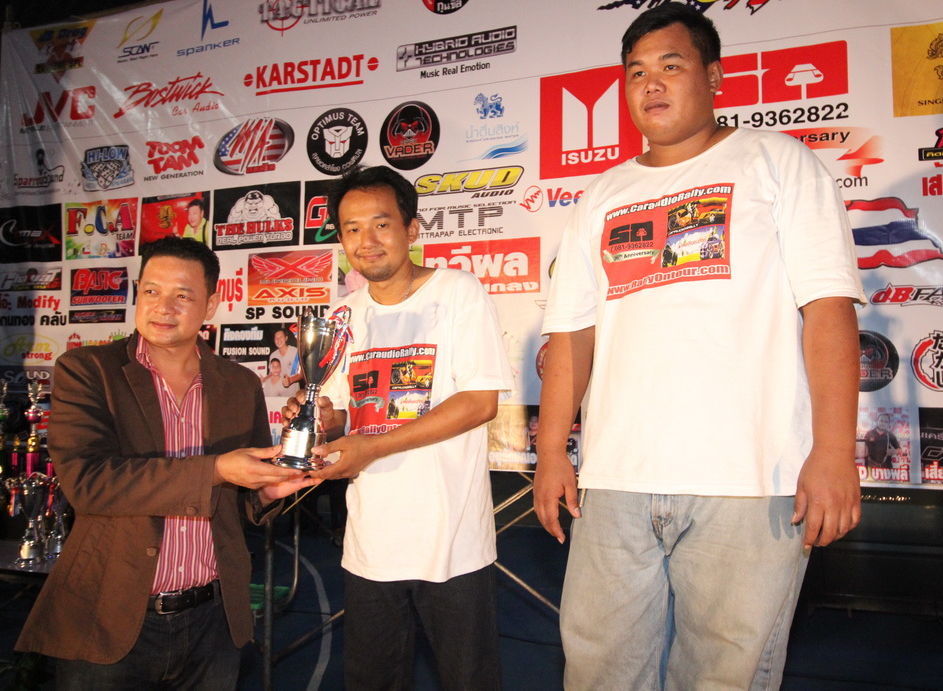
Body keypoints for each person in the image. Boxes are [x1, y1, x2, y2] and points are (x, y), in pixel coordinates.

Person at [532, 4, 865, 689]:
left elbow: (828, 311)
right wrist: (551, 452)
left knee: (725, 676)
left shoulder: (779, 163)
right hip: (614, 480)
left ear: (713, 77)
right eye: (635, 72)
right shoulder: (600, 196)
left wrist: (833, 452)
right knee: (596, 671)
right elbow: (572, 334)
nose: (650, 84)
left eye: (670, 65)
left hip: (750, 481)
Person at [16, 236, 315, 688]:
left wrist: (268, 492)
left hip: (214, 622)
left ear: (211, 305)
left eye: (182, 295)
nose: (163, 307)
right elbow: (89, 483)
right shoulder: (88, 370)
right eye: (152, 291)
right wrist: (216, 469)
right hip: (111, 618)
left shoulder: (239, 384)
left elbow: (240, 503)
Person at [283, 165, 513, 690]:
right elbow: (345, 414)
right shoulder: (343, 316)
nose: (366, 240)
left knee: (470, 681)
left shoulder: (457, 292)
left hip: (452, 542)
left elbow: (479, 403)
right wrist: (320, 418)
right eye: (352, 228)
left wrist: (374, 446)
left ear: (411, 229)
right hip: (371, 543)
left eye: (381, 224)